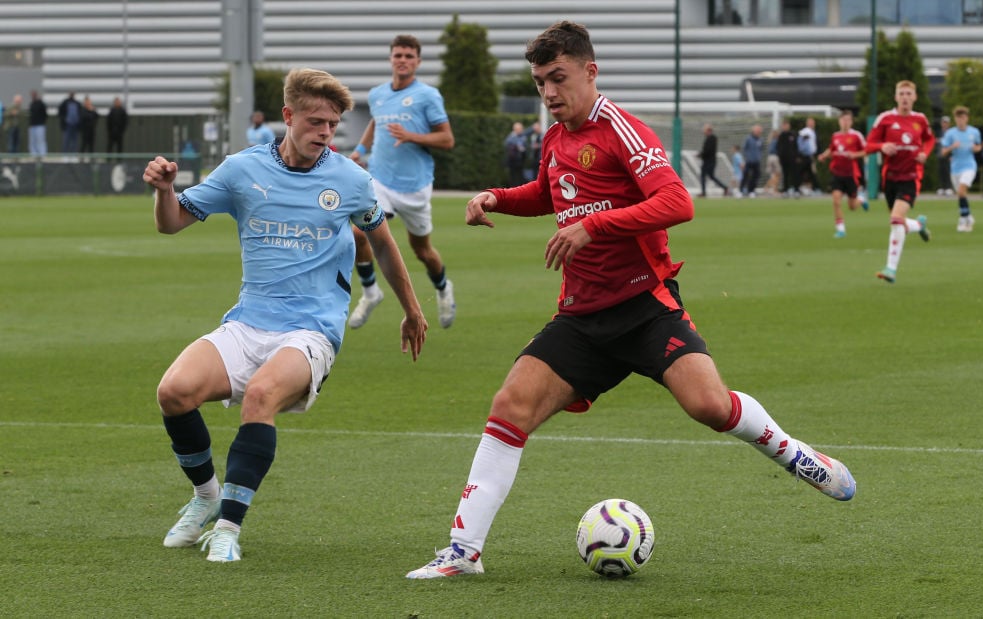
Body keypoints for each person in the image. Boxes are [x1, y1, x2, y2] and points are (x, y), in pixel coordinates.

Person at [405, 20, 856, 580]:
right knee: (509, 407)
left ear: (590, 72)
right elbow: (550, 194)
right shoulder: (556, 136)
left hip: (646, 306)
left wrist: (596, 226)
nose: (548, 92)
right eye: (541, 81)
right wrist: (495, 197)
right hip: (581, 317)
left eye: (558, 78)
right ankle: (462, 551)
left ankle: (794, 453)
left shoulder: (622, 129)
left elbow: (676, 201)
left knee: (709, 407)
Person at [142, 67, 428, 563]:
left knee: (260, 396)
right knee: (173, 392)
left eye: (333, 125)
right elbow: (171, 225)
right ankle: (207, 496)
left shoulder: (351, 179)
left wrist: (412, 309)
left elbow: (383, 245)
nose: (324, 132)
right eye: (315, 121)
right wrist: (165, 190)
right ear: (288, 116)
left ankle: (229, 527)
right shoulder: (241, 169)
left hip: (311, 331)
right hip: (248, 321)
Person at [348, 34, 456, 329]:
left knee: (423, 251)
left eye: (409, 56)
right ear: (390, 59)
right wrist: (360, 150)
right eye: (398, 55)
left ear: (418, 62)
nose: (403, 60)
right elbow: (376, 121)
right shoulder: (377, 94)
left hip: (416, 186)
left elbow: (447, 139)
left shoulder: (428, 95)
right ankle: (371, 292)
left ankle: (444, 287)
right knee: (359, 234)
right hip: (380, 181)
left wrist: (412, 136)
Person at [866, 80, 935, 284]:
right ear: (896, 97)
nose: (905, 97)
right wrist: (882, 146)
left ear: (914, 97)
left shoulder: (920, 119)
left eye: (908, 94)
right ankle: (919, 225)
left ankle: (890, 269)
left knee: (896, 219)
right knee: (898, 223)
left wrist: (925, 152)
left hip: (912, 177)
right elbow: (868, 144)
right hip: (891, 177)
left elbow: (930, 140)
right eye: (901, 94)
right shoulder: (885, 119)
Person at [817, 110, 867, 238]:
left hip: (851, 175)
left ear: (851, 122)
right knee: (836, 201)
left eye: (848, 120)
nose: (845, 122)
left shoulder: (857, 136)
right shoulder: (835, 136)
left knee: (852, 206)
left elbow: (867, 150)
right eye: (843, 120)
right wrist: (824, 155)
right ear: (839, 121)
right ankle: (841, 229)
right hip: (837, 174)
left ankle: (861, 200)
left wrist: (855, 155)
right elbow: (832, 149)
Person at [939, 106, 982, 233]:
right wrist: (952, 147)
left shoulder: (974, 132)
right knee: (961, 195)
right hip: (955, 168)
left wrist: (976, 149)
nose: (960, 120)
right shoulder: (950, 133)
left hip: (969, 166)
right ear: (955, 119)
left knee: (962, 191)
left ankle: (964, 220)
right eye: (958, 118)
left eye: (963, 117)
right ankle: (968, 215)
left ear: (967, 118)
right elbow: (943, 152)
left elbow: (978, 146)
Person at [697, 123, 729, 197]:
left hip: (709, 161)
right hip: (708, 161)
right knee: (710, 176)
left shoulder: (712, 138)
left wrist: (701, 155)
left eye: (704, 130)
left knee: (704, 176)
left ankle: (704, 192)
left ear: (708, 130)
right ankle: (724, 187)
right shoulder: (709, 138)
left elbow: (708, 150)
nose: (703, 132)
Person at [797, 117, 821, 194]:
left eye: (813, 123)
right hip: (804, 156)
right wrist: (800, 154)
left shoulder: (815, 132)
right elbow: (800, 144)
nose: (811, 124)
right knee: (802, 172)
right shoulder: (804, 132)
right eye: (810, 122)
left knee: (812, 173)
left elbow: (816, 144)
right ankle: (797, 188)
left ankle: (815, 189)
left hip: (812, 156)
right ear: (807, 123)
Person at [776, 120, 799, 197]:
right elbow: (778, 147)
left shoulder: (793, 134)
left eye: (787, 125)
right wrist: (779, 156)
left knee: (794, 174)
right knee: (785, 175)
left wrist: (796, 156)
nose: (786, 127)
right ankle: (785, 190)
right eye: (784, 125)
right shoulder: (781, 136)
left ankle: (796, 190)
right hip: (784, 159)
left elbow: (796, 147)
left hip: (792, 158)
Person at [740, 124, 763, 197]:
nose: (759, 132)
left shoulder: (760, 139)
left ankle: (751, 191)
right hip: (748, 161)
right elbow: (744, 149)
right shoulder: (748, 138)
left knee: (756, 176)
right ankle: (741, 191)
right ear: (753, 130)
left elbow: (760, 149)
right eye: (757, 130)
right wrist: (744, 160)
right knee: (745, 176)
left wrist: (759, 157)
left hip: (757, 161)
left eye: (760, 130)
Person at [503, 121, 526, 186]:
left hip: (520, 160)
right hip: (512, 160)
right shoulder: (511, 137)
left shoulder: (522, 137)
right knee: (513, 176)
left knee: (520, 176)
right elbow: (506, 145)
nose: (521, 130)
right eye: (519, 129)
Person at [935, 115, 953, 196]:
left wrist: (952, 155)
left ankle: (949, 188)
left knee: (948, 171)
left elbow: (953, 144)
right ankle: (942, 188)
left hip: (948, 155)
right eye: (943, 122)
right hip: (940, 154)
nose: (944, 124)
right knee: (940, 171)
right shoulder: (939, 132)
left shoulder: (951, 133)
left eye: (946, 123)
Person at [28, 91, 47, 157]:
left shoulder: (41, 103)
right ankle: (34, 155)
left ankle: (42, 155)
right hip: (32, 125)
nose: (33, 96)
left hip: (40, 125)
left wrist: (42, 122)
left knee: (40, 141)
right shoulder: (31, 104)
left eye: (34, 95)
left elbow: (45, 114)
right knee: (32, 141)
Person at [763, 129, 781, 196]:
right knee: (777, 175)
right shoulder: (776, 141)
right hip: (775, 157)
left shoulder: (770, 141)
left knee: (773, 175)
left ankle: (771, 189)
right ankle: (769, 188)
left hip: (769, 157)